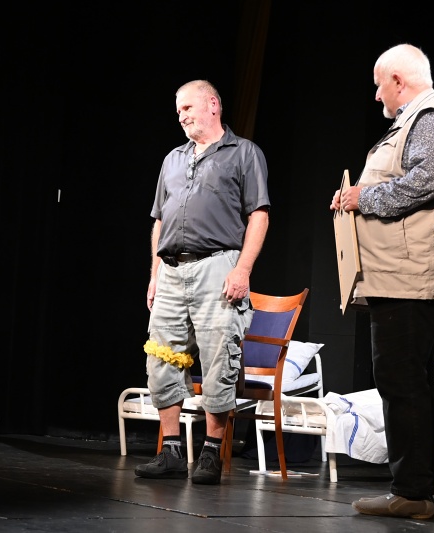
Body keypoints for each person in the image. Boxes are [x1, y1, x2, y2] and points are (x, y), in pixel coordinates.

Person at [329, 44, 434, 519]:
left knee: (405, 382)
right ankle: (410, 490)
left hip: (412, 276)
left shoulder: (431, 118)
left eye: (379, 85)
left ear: (398, 80)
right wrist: (353, 199)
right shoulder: (412, 121)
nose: (376, 95)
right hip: (398, 274)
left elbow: (429, 180)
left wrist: (365, 198)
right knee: (401, 380)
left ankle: (412, 493)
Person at [135, 80, 270, 485]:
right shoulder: (173, 159)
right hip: (171, 270)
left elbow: (259, 215)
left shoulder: (243, 152)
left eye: (187, 107)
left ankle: (211, 452)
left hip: (218, 264)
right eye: (178, 110)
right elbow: (160, 221)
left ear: (213, 104)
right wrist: (155, 275)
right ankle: (171, 451)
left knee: (218, 358)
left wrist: (242, 269)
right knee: (161, 357)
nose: (181, 116)